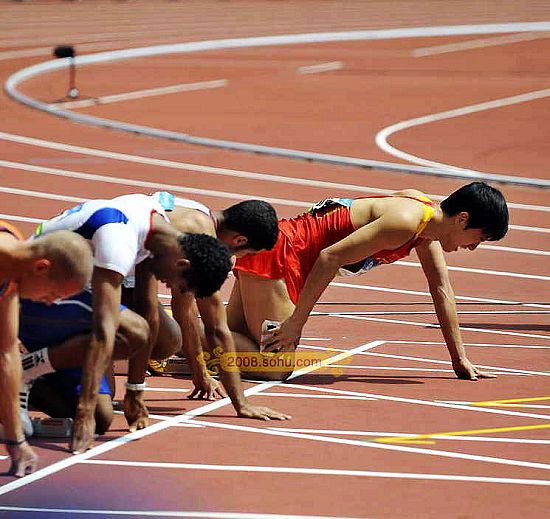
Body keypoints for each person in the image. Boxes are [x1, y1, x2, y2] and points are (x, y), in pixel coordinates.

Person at [18, 193, 233, 455]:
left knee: (102, 418)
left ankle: (19, 372)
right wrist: (83, 411)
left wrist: (135, 391)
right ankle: (23, 371)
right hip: (30, 295)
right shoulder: (118, 237)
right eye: (180, 284)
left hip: (70, 297)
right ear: (182, 264)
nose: (170, 287)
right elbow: (103, 327)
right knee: (131, 331)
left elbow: (146, 308)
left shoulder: (155, 228)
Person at [228, 182, 509, 381]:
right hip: (280, 254)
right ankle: (189, 334)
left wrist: (459, 359)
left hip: (286, 256)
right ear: (462, 219)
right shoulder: (405, 222)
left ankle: (195, 337)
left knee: (227, 351)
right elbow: (329, 258)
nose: (474, 247)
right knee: (274, 368)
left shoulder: (426, 226)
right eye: (480, 238)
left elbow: (441, 289)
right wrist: (296, 323)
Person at [123, 192, 290, 421]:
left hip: (112, 254)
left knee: (168, 333)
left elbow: (184, 308)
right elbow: (216, 329)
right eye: (247, 254)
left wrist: (199, 372)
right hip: (104, 271)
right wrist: (241, 403)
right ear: (239, 240)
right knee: (165, 339)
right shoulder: (202, 237)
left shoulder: (198, 212)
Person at [0, 222, 93, 477]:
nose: (51, 303)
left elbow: (7, 355)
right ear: (42, 267)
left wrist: (16, 442)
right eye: (53, 293)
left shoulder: (12, 271)